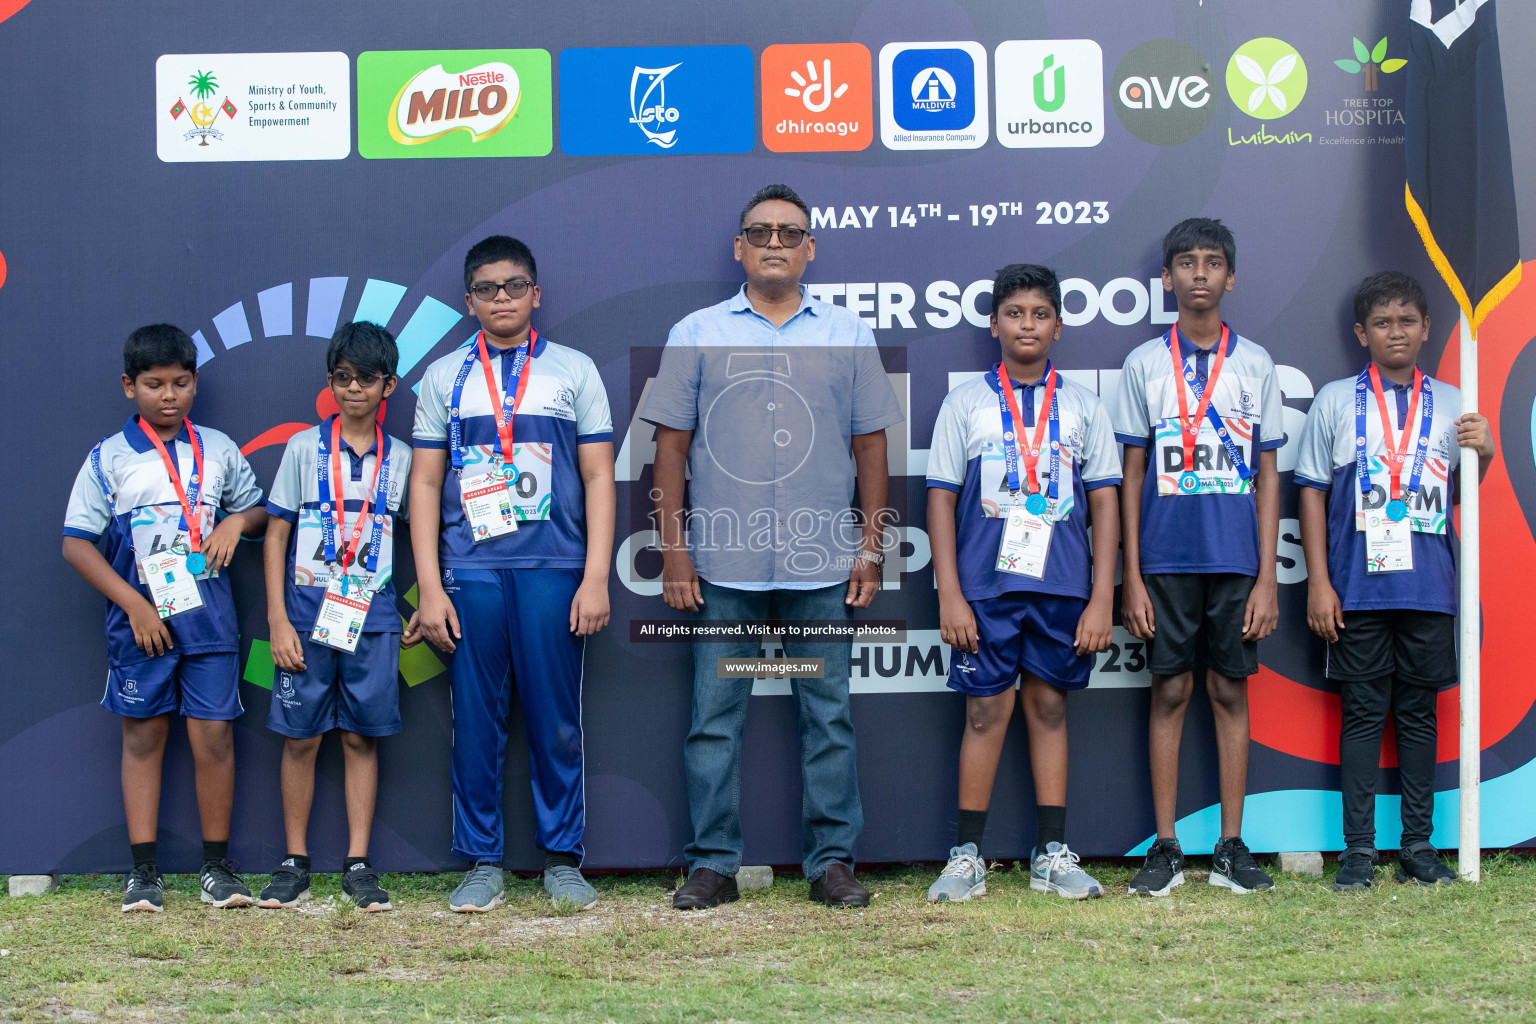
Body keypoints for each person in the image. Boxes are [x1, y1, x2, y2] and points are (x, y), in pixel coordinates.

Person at [642, 183, 903, 910]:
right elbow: (670, 448)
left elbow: (871, 446)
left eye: (791, 233)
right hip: (723, 566)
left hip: (823, 563)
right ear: (740, 247)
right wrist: (675, 550)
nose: (776, 244)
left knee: (828, 714)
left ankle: (832, 863)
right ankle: (713, 864)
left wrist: (872, 547)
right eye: (761, 233)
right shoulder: (696, 331)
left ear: (811, 247)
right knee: (714, 718)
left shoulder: (847, 333)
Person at [409, 235, 616, 912]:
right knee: (475, 721)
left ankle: (562, 859)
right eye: (489, 288)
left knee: (556, 720)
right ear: (469, 302)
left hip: (554, 567)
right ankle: (481, 861)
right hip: (471, 570)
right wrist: (431, 586)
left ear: (536, 293)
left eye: (515, 285)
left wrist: (594, 577)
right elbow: (424, 484)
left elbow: (597, 477)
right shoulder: (443, 378)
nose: (503, 298)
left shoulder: (574, 370)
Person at [924, 264, 1120, 903]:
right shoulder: (966, 403)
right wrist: (950, 593)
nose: (1026, 324)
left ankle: (1052, 855)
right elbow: (941, 500)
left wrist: (1102, 598)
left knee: (1050, 707)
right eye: (1014, 313)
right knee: (984, 711)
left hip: (1063, 586)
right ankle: (967, 855)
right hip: (985, 587)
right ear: (993, 324)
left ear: (1058, 327)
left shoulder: (1087, 405)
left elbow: (1106, 506)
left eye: (1039, 314)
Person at [1295, 271, 1493, 890]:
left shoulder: (1457, 401)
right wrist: (1319, 585)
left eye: (1407, 320)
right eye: (1382, 322)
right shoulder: (1333, 401)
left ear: (1427, 328)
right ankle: (1358, 852)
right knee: (1360, 714)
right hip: (1357, 590)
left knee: (1417, 718)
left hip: (1429, 587)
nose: (1396, 332)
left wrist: (1481, 454)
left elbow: (1461, 495)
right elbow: (1311, 496)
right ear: (1362, 333)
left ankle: (1417, 846)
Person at [62, 324, 266, 912]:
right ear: (129, 386)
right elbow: (77, 543)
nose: (168, 395)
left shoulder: (220, 448)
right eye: (154, 385)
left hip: (210, 624)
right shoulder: (108, 457)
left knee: (213, 738)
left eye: (180, 382)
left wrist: (235, 522)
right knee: (144, 737)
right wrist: (133, 603)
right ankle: (144, 872)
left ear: (196, 382)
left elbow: (254, 510)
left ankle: (217, 869)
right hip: (141, 625)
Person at [1111, 218, 1282, 896]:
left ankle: (1231, 845)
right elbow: (1129, 473)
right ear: (1168, 278)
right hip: (1164, 559)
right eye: (1187, 262)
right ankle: (1167, 844)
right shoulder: (1144, 364)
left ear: (1230, 277)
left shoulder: (1257, 363)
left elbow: (1269, 475)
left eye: (1214, 263)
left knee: (1228, 690)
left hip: (1236, 559)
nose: (1201, 273)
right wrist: (1131, 574)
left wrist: (1268, 576)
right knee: (1171, 689)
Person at [257, 322, 413, 912]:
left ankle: (357, 863)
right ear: (330, 383)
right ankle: (294, 860)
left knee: (358, 737)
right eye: (343, 378)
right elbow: (275, 536)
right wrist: (276, 618)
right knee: (301, 739)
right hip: (303, 616)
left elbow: (418, 536)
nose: (354, 389)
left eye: (366, 379)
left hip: (371, 619)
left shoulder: (400, 458)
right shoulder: (303, 448)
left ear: (387, 385)